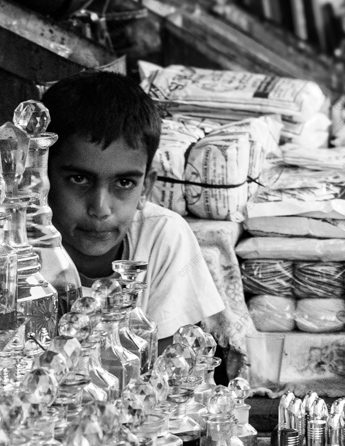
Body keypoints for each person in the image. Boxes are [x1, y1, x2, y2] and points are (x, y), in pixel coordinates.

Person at [40, 70, 226, 345]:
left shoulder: (162, 236)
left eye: (124, 183)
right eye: (79, 179)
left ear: (146, 188)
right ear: (41, 176)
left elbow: (168, 367)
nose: (100, 208)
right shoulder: (16, 247)